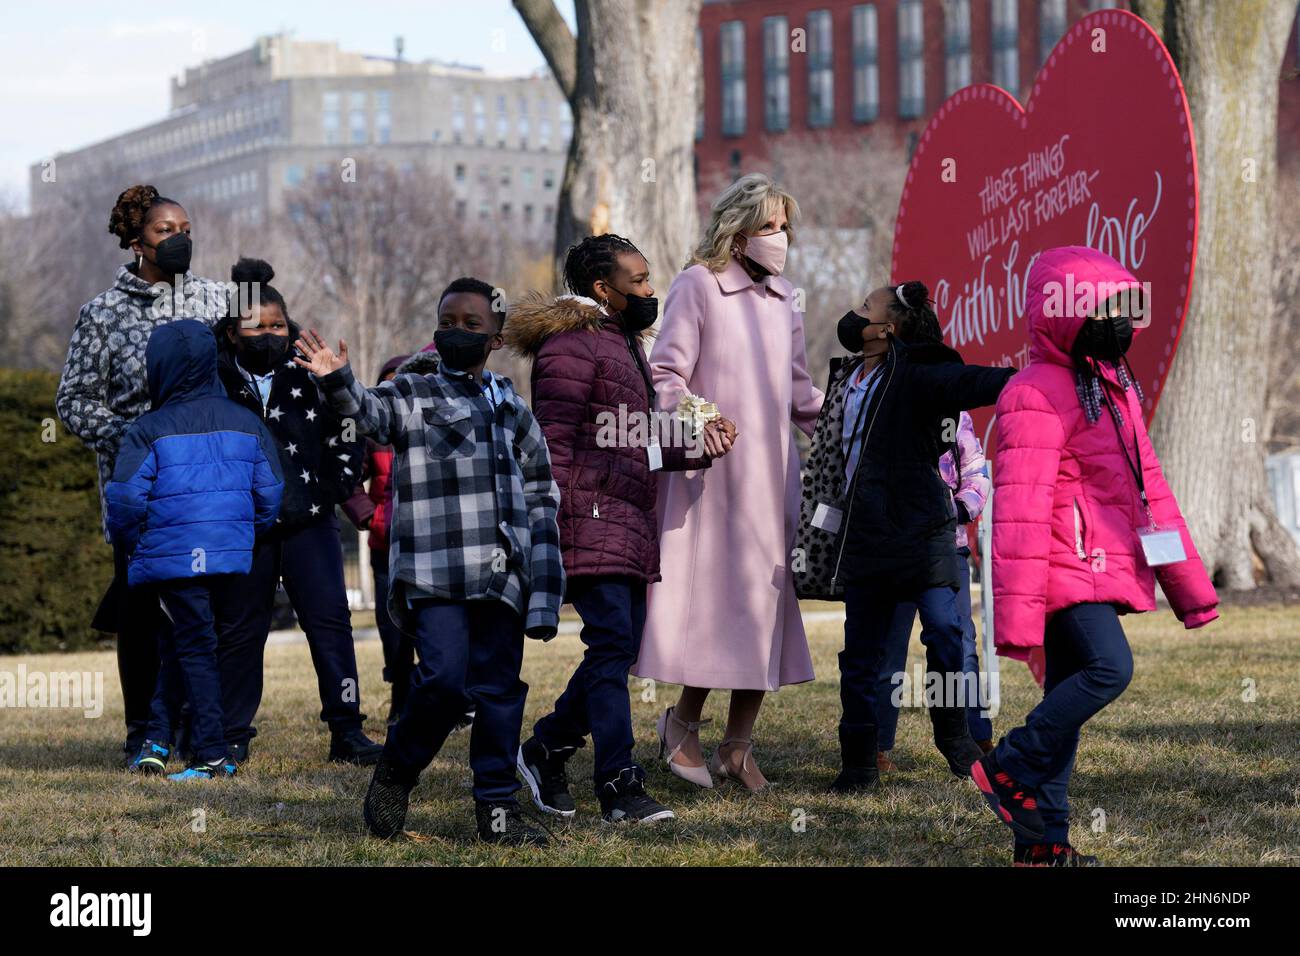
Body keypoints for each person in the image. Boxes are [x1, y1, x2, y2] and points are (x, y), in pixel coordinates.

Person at [295, 277, 564, 847]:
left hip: (503, 579)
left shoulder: (513, 408)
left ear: (495, 338)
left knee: (498, 691)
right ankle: (397, 769)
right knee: (442, 681)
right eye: (448, 322)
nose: (457, 332)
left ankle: (497, 811)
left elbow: (543, 495)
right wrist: (337, 378)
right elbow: (368, 413)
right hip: (434, 572)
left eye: (472, 325)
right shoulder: (414, 393)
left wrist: (544, 589)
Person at [972, 246, 1218, 866]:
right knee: (1110, 669)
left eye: (1123, 307)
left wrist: (1189, 587)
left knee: (1066, 708)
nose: (1120, 321)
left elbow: (1149, 486)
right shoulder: (1034, 390)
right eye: (1104, 307)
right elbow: (1023, 510)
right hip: (1064, 570)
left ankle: (1042, 844)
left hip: (1100, 565)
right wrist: (1019, 615)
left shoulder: (1115, 387)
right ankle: (1007, 765)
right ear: (1066, 314)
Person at [507, 234, 732, 823]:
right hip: (588, 518)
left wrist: (695, 444)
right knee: (611, 644)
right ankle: (617, 785)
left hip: (628, 520)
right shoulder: (571, 346)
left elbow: (631, 439)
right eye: (638, 281)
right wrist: (547, 523)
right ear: (603, 290)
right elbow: (550, 443)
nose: (650, 290)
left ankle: (547, 748)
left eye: (649, 277)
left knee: (619, 648)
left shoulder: (619, 344)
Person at [633, 173, 820, 792]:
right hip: (713, 479)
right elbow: (666, 372)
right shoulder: (698, 284)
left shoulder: (786, 298)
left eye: (784, 226)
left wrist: (855, 423)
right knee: (718, 609)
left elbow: (799, 393)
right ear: (736, 232)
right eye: (769, 226)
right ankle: (681, 723)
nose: (780, 237)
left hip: (773, 480)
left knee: (763, 606)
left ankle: (737, 747)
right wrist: (698, 416)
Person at [796, 281, 1014, 793]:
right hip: (867, 537)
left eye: (864, 309)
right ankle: (859, 761)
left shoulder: (918, 372)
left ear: (886, 329)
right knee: (862, 655)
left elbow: (969, 382)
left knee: (946, 634)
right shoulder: (848, 378)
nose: (853, 315)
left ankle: (957, 738)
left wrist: (1027, 379)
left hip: (927, 532)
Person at [56, 184, 228, 763]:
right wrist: (135, 441)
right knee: (143, 617)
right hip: (141, 489)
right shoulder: (101, 313)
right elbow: (75, 400)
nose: (179, 239)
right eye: (164, 231)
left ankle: (205, 730)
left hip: (207, 488)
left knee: (205, 612)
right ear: (137, 242)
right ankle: (142, 733)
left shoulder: (217, 300)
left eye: (185, 229)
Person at [212, 257, 380, 765]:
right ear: (231, 332)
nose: (269, 334)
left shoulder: (310, 372)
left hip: (310, 522)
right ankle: (231, 734)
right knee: (240, 630)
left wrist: (337, 484)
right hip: (243, 529)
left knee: (330, 624)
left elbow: (351, 428)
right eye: (256, 327)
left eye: (278, 325)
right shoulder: (213, 379)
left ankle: (347, 732)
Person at [108, 319, 283, 780]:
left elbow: (124, 502)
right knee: (183, 644)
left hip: (173, 559)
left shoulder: (147, 429)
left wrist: (138, 546)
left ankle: (212, 754)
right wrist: (239, 535)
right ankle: (157, 741)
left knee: (194, 646)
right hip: (228, 558)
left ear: (157, 367)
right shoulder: (248, 422)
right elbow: (270, 494)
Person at [872, 424, 993, 769]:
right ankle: (877, 746)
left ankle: (975, 736)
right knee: (888, 647)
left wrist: (954, 512)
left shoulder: (956, 413)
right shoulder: (887, 403)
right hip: (893, 545)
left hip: (947, 545)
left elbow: (975, 471)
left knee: (959, 642)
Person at [342, 352, 415, 725]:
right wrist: (370, 516)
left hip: (427, 549)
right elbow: (348, 478)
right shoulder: (371, 435)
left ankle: (451, 701)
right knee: (393, 632)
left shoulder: (428, 424)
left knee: (433, 627)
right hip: (385, 549)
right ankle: (400, 698)